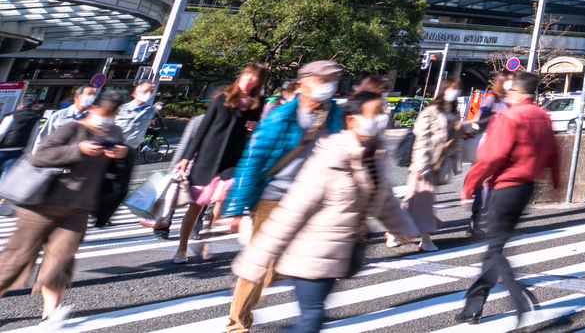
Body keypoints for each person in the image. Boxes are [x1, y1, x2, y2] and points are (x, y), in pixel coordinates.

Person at [230, 91, 417, 333]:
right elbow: (292, 211)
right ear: (352, 120)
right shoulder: (330, 156)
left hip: (338, 255)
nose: (383, 118)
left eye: (384, 112)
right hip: (310, 252)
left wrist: (406, 230)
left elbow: (385, 202)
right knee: (312, 319)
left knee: (313, 318)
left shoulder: (373, 155)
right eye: (377, 113)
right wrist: (255, 259)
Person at [220, 61, 347, 333]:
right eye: (325, 79)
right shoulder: (281, 117)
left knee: (300, 262)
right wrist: (236, 207)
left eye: (334, 79)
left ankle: (308, 321)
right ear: (303, 84)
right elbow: (253, 160)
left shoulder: (333, 113)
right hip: (273, 199)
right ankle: (238, 325)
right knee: (259, 266)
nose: (331, 84)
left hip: (312, 202)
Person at [0, 86, 133, 332]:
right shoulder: (73, 127)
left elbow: (118, 170)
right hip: (41, 205)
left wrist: (123, 154)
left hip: (79, 208)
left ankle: (49, 316)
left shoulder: (115, 131)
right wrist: (78, 149)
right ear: (93, 109)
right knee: (15, 260)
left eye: (113, 113)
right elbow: (41, 155)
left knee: (60, 262)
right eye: (105, 112)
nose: (109, 118)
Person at [456, 72, 559, 327]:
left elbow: (493, 156)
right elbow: (554, 152)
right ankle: (473, 307)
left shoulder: (510, 116)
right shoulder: (543, 116)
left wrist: (471, 183)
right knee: (495, 248)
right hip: (527, 189)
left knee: (494, 248)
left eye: (511, 91)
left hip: (506, 188)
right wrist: (556, 182)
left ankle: (519, 295)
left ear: (517, 92)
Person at [170, 64, 267, 264]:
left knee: (223, 200)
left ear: (259, 82)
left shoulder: (258, 103)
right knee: (196, 206)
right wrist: (186, 157)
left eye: (254, 78)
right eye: (247, 75)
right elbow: (202, 129)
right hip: (207, 159)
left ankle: (205, 240)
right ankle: (182, 248)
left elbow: (255, 135)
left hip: (233, 160)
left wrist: (256, 128)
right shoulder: (222, 99)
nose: (248, 80)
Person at [400, 77, 460, 251]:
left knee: (416, 201)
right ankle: (425, 241)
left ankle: (394, 230)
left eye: (457, 89)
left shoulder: (454, 112)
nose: (455, 91)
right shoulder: (431, 110)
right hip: (423, 164)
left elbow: (456, 138)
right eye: (452, 88)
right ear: (444, 89)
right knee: (422, 201)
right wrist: (422, 164)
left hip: (437, 164)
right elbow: (421, 137)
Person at [116, 81, 160, 149]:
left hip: (132, 148)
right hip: (115, 146)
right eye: (146, 91)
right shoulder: (122, 109)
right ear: (135, 94)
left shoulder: (150, 110)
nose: (148, 94)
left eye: (151, 92)